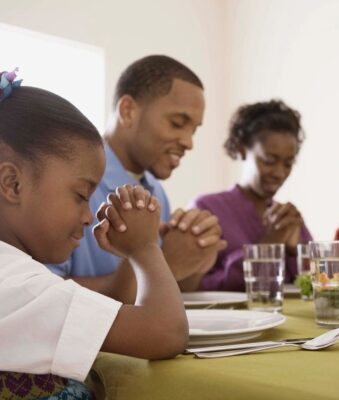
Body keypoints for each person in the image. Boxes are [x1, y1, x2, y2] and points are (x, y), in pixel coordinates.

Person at [0, 76, 187, 398]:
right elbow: (165, 332)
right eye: (81, 194)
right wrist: (145, 249)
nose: (89, 217)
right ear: (13, 184)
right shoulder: (15, 284)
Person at [49, 55, 226, 296]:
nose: (188, 142)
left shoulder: (155, 191)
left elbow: (166, 294)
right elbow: (41, 297)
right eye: (177, 123)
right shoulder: (68, 180)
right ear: (128, 111)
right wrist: (164, 265)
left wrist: (196, 260)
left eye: (193, 130)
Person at [191, 100, 313, 290]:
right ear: (242, 150)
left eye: (288, 164)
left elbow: (317, 283)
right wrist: (270, 243)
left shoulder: (288, 217)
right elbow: (198, 287)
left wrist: (297, 251)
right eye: (269, 161)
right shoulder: (207, 209)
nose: (279, 173)